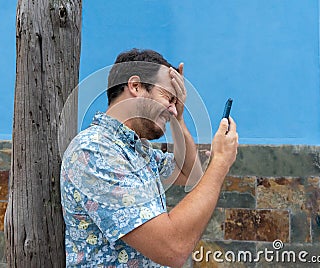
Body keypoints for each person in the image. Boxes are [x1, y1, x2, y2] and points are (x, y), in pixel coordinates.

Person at [60, 48, 238, 267]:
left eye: (176, 102)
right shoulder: (94, 152)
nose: (173, 109)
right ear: (135, 86)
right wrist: (220, 162)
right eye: (168, 97)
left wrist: (178, 118)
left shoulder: (137, 150)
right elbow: (172, 248)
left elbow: (190, 176)